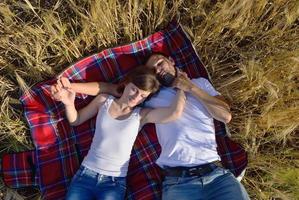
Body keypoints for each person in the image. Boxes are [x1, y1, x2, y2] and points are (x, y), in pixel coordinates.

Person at [58, 53, 250, 200]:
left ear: (171, 60)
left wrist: (188, 87)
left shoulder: (200, 84)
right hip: (178, 182)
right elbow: (107, 88)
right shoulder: (150, 96)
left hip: (216, 174)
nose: (158, 70)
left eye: (159, 63)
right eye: (153, 70)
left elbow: (225, 116)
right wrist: (70, 88)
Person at [50, 66, 186, 200]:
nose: (136, 97)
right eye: (134, 89)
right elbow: (76, 120)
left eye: (143, 96)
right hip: (85, 175)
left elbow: (174, 113)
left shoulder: (141, 115)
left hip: (113, 182)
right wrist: (68, 103)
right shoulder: (104, 101)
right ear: (126, 83)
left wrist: (181, 87)